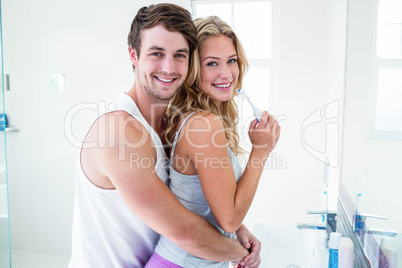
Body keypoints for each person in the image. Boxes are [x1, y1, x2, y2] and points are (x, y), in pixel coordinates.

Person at [69, 4, 260, 268]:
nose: (169, 68)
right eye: (157, 53)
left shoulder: (170, 123)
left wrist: (238, 229)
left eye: (180, 55)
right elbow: (185, 231)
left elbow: (186, 202)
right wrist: (242, 253)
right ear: (133, 55)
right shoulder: (118, 132)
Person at [146, 16, 281, 268]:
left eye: (231, 60)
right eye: (212, 63)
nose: (226, 73)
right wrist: (261, 151)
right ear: (193, 71)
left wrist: (238, 231)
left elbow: (212, 204)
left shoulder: (206, 119)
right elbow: (228, 218)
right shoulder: (203, 125)